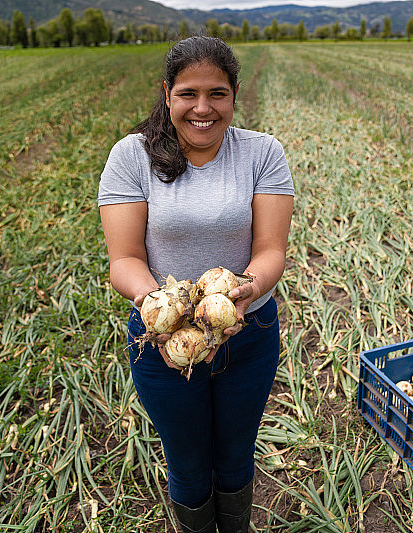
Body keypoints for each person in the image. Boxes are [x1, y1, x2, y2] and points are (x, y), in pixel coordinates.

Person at [97, 36, 294, 533]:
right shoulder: (130, 156)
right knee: (186, 460)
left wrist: (248, 288)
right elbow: (124, 259)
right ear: (167, 94)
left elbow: (271, 250)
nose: (202, 109)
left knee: (234, 455)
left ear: (234, 95)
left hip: (248, 333)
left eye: (217, 94)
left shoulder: (262, 153)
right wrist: (158, 310)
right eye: (188, 94)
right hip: (164, 340)